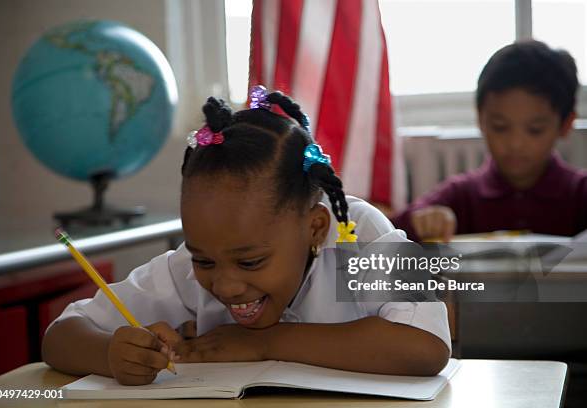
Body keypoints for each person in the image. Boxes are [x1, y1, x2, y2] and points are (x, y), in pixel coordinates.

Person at [42, 86, 451, 385]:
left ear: (315, 227)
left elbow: (428, 345)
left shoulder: (360, 232)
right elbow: (60, 336)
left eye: (250, 261)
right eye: (204, 260)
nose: (225, 284)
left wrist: (265, 342)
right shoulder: (195, 262)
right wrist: (112, 354)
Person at [393, 40, 587, 242]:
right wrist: (423, 223)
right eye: (500, 127)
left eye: (535, 130)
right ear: (480, 119)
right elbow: (385, 234)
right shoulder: (460, 196)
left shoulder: (580, 194)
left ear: (565, 125)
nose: (515, 144)